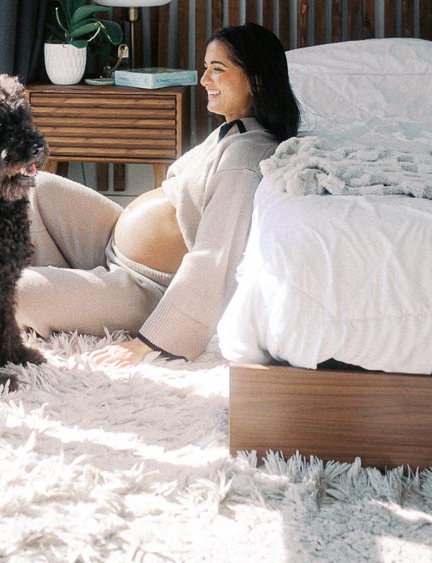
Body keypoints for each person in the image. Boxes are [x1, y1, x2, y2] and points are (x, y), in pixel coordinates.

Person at [16, 22, 300, 368]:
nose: (204, 80)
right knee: (32, 187)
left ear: (255, 79)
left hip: (143, 286)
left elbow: (214, 259)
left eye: (217, 70)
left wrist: (148, 344)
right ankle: (69, 292)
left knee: (11, 289)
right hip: (110, 240)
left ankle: (62, 293)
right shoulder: (234, 132)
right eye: (206, 68)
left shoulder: (246, 157)